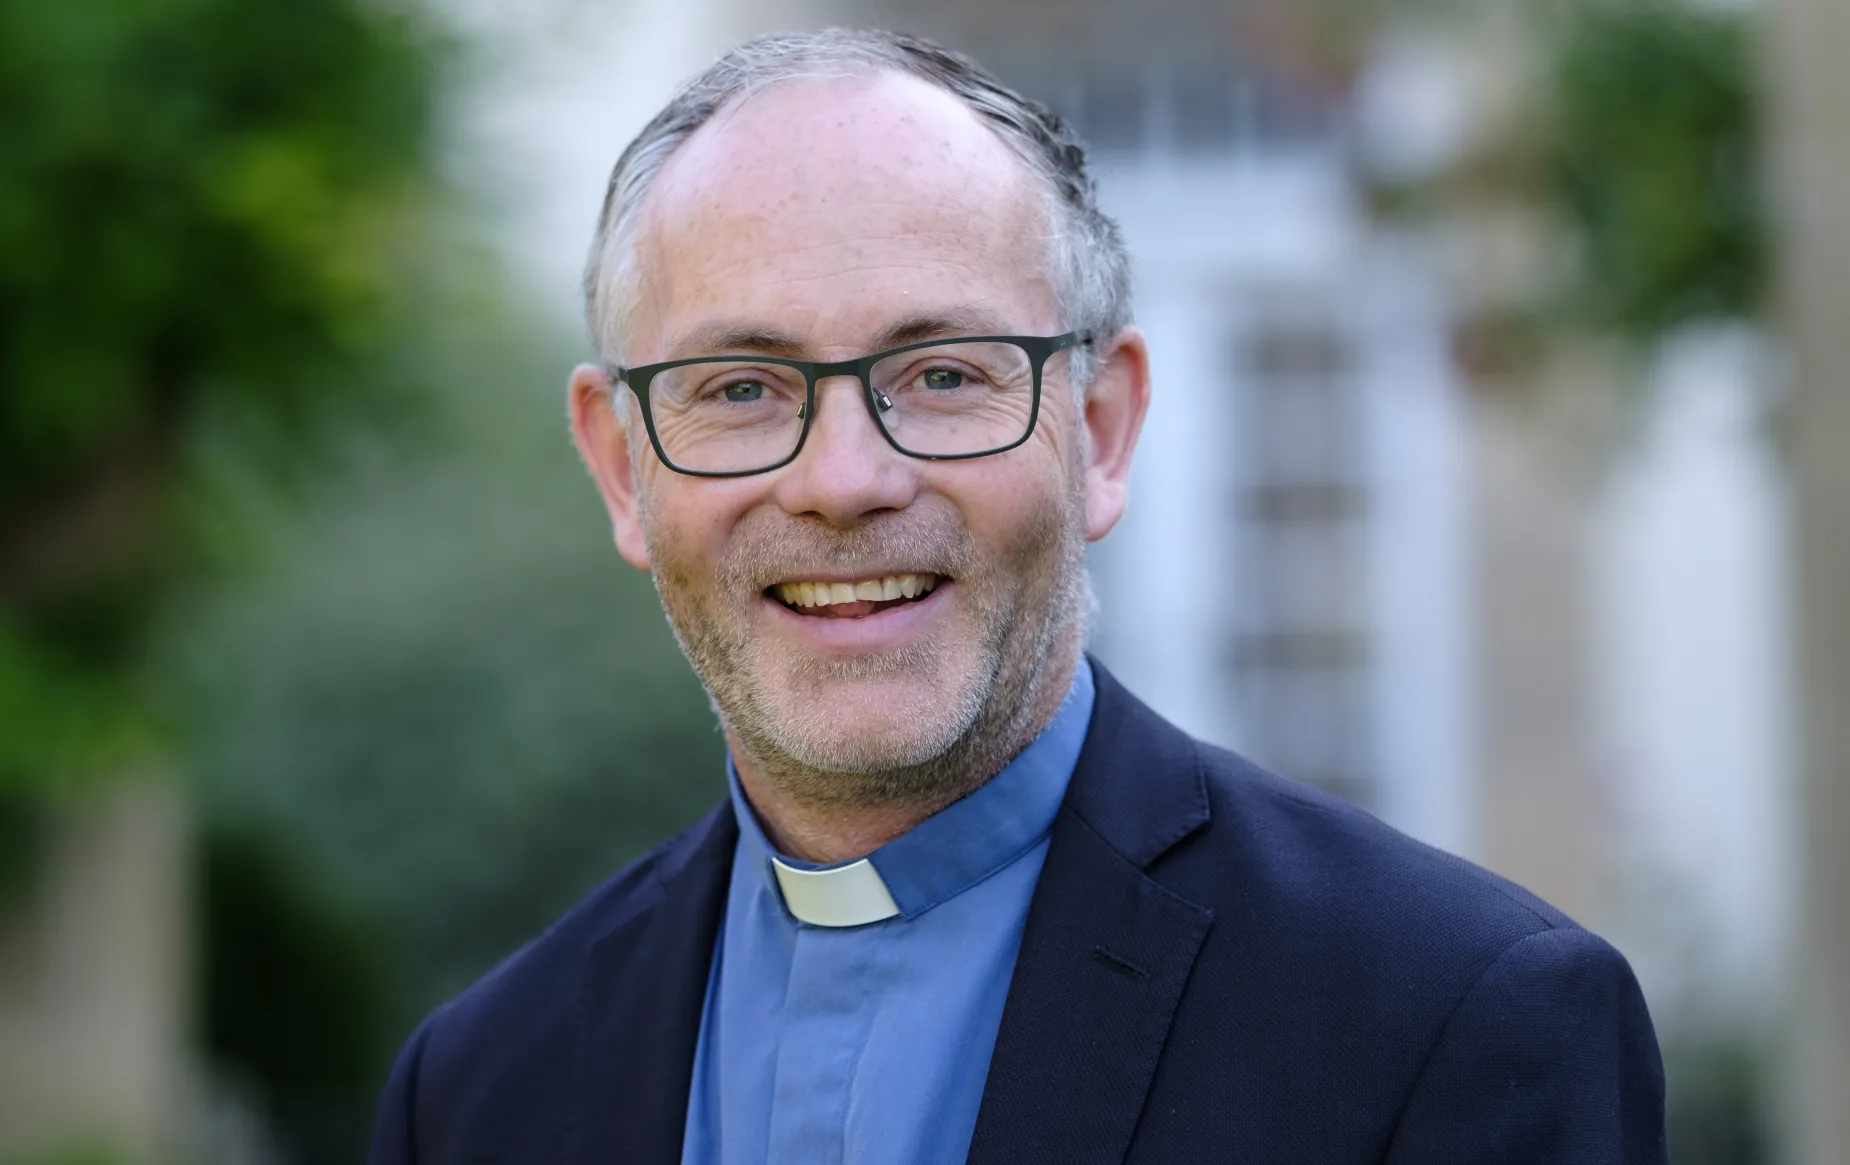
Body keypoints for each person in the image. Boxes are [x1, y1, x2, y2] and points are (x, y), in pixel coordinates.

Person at [367, 28, 1666, 1165]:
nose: (842, 482)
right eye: (741, 389)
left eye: (940, 373)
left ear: (1098, 429)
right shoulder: (480, 1091)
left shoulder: (1452, 1026)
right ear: (618, 466)